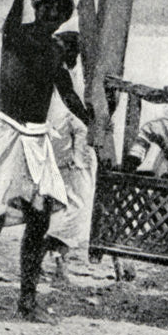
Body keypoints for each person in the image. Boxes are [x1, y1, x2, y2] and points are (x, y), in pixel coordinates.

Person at [0, 0, 93, 333]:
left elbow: (66, 91)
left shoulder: (55, 49)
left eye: (62, 10)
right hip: (8, 131)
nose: (54, 14)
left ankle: (27, 301)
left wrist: (89, 116)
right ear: (38, 6)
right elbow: (13, 14)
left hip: (37, 136)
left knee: (40, 217)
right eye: (48, 6)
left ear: (67, 15)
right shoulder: (17, 35)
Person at [43, 30, 97, 281]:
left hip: (70, 136)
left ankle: (56, 256)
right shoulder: (59, 73)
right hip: (65, 137)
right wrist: (91, 123)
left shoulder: (82, 72)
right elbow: (71, 101)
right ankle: (49, 245)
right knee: (77, 200)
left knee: (73, 199)